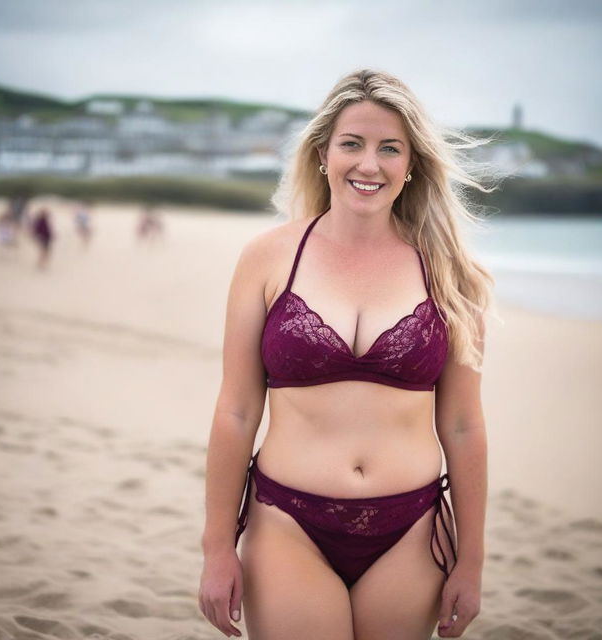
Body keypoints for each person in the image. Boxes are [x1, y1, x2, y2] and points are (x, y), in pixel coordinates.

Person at [198, 69, 499, 640]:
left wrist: (472, 560)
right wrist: (217, 545)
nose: (370, 164)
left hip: (411, 531)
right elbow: (237, 410)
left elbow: (462, 424)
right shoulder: (267, 258)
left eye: (390, 148)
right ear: (322, 154)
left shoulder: (450, 272)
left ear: (411, 164)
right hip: (288, 521)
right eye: (352, 144)